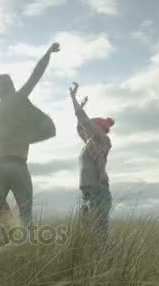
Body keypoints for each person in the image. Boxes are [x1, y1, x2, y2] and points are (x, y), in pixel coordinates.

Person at [0, 42, 60, 229]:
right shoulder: (19, 99)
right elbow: (36, 75)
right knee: (26, 216)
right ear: (10, 86)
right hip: (18, 165)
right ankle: (25, 250)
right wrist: (48, 53)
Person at [69, 82, 113, 245]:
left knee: (100, 234)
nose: (88, 127)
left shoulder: (103, 140)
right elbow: (80, 125)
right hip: (87, 193)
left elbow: (83, 120)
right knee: (87, 234)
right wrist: (77, 104)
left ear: (98, 128)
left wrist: (73, 98)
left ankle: (107, 261)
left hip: (98, 191)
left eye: (92, 125)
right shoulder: (89, 143)